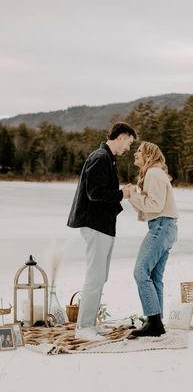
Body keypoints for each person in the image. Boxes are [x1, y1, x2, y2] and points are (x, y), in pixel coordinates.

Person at [67, 122, 137, 341]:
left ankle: (90, 324)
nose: (129, 148)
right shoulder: (100, 157)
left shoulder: (107, 157)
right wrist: (121, 194)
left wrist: (119, 193)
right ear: (121, 136)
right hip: (95, 225)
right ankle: (84, 327)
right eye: (129, 142)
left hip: (102, 225)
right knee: (94, 278)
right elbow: (94, 193)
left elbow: (99, 191)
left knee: (100, 277)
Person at [127, 141, 178, 337]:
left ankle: (154, 321)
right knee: (154, 277)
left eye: (139, 151)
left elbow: (155, 205)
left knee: (140, 272)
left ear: (148, 155)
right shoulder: (155, 173)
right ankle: (156, 321)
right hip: (166, 227)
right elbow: (149, 207)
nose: (135, 154)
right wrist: (134, 196)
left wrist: (133, 195)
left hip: (161, 227)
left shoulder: (153, 173)